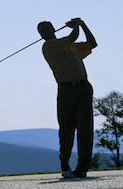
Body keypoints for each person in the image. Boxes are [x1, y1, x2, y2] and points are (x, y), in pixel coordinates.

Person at [37, 18, 97, 178]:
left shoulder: (70, 46)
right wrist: (77, 24)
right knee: (66, 129)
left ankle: (82, 168)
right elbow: (73, 37)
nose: (45, 32)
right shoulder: (48, 46)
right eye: (41, 31)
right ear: (41, 36)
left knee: (85, 129)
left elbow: (92, 43)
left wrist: (84, 24)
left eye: (47, 28)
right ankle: (65, 163)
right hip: (65, 90)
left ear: (54, 28)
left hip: (83, 87)